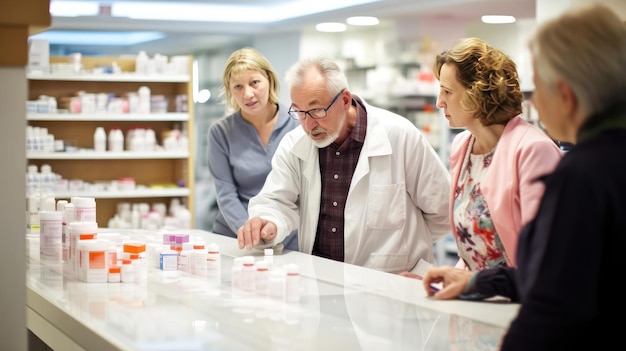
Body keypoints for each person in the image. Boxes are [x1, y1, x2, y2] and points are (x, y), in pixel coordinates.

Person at [422, 3, 626, 350]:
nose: (532, 103)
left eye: (540, 88)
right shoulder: (602, 161)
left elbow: (552, 288)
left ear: (566, 95)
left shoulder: (580, 170)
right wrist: (469, 280)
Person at [237, 56, 451, 274]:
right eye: (299, 112)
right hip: (320, 285)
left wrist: (412, 258)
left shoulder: (400, 136)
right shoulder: (294, 144)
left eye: (317, 110)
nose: (308, 125)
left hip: (390, 286)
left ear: (345, 100)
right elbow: (275, 201)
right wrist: (269, 221)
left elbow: (445, 211)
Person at [415, 37, 562, 274]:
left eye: (447, 91)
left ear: (477, 93)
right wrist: (452, 279)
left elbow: (547, 254)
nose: (439, 102)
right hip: (479, 299)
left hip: (520, 300)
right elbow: (474, 249)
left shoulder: (533, 150)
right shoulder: (463, 146)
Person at [207, 47, 300, 250]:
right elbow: (226, 195)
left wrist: (274, 229)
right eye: (238, 86)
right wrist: (250, 232)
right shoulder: (221, 132)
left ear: (269, 80)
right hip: (235, 237)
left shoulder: (298, 125)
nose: (247, 94)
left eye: (254, 82)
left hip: (288, 236)